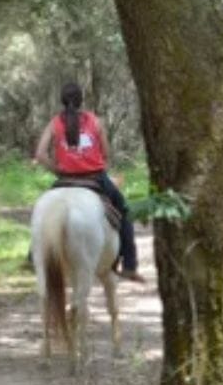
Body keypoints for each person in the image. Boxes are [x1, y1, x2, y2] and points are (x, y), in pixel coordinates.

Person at [33, 82, 143, 281]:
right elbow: (106, 153)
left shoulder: (54, 123)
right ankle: (129, 264)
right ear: (81, 100)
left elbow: (40, 154)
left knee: (44, 213)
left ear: (62, 100)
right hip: (95, 178)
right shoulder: (95, 121)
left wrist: (57, 169)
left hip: (65, 179)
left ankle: (32, 256)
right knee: (125, 211)